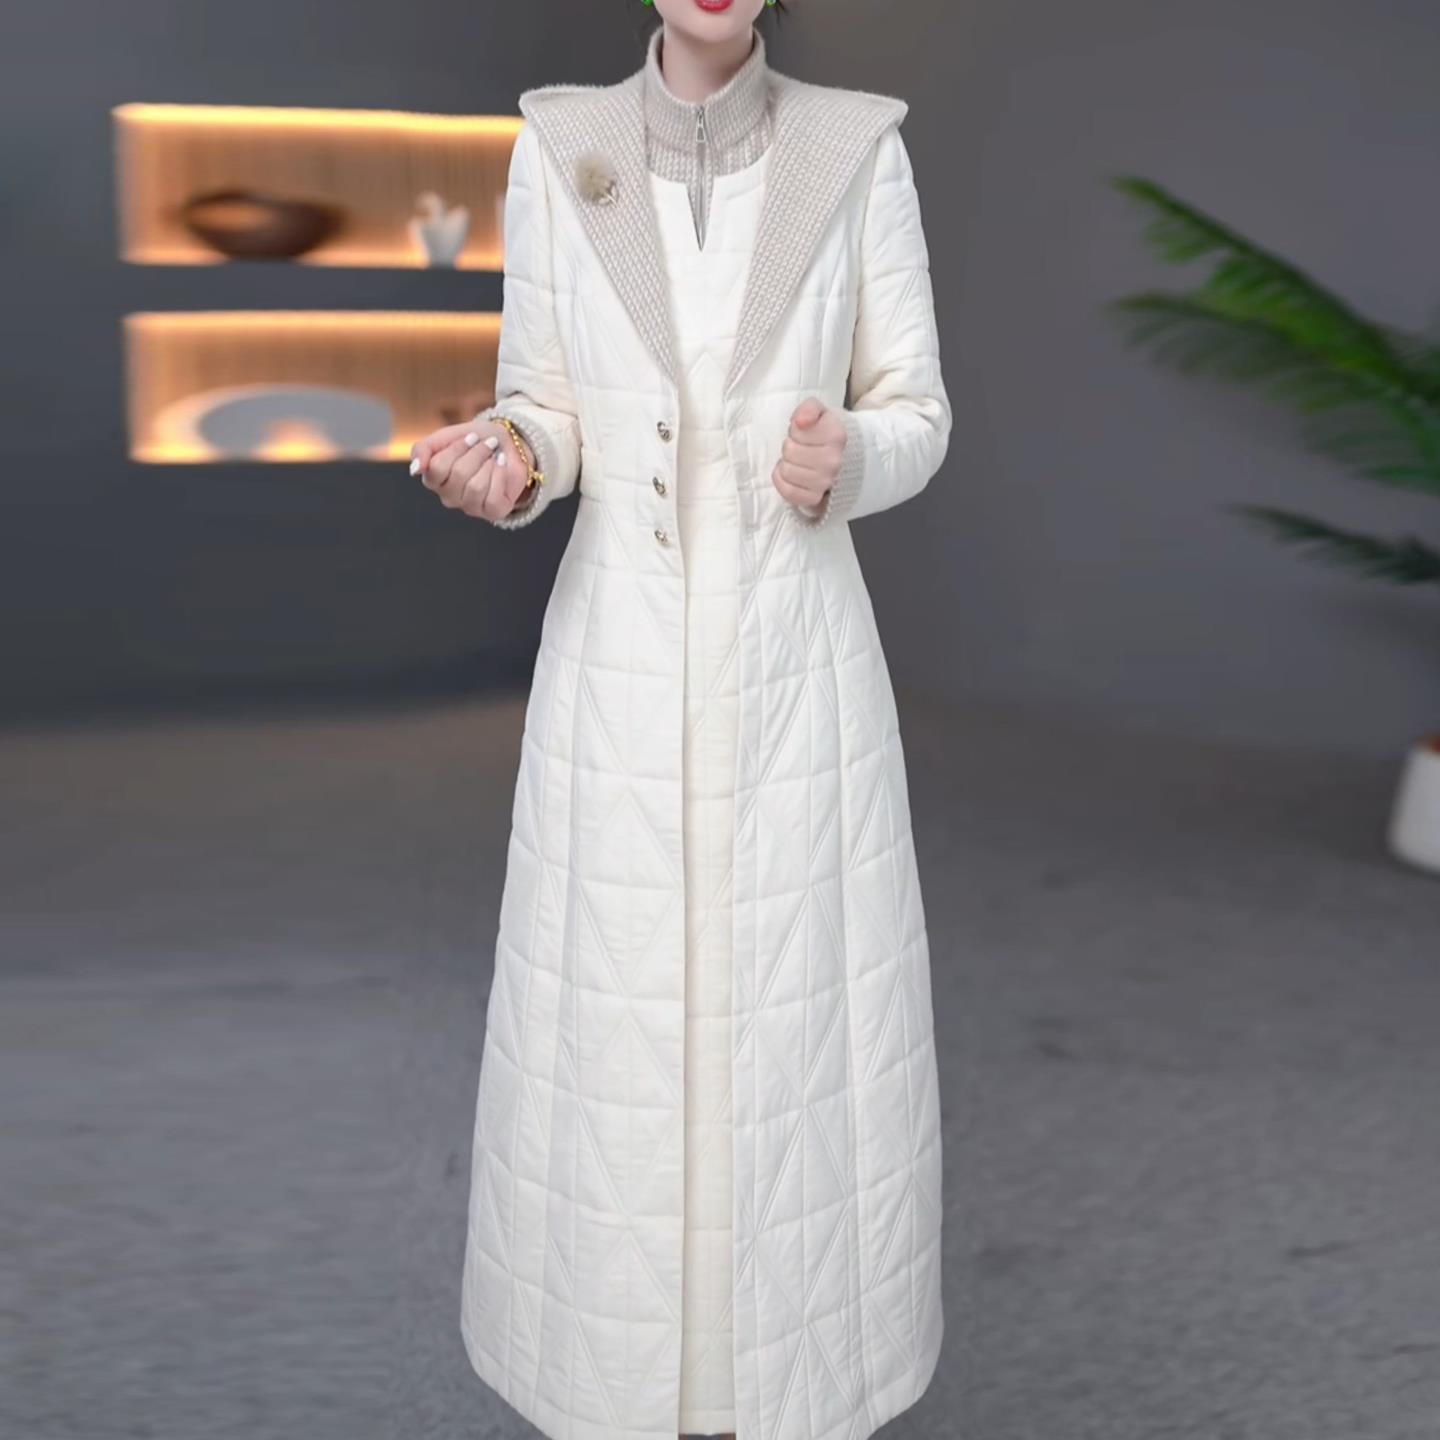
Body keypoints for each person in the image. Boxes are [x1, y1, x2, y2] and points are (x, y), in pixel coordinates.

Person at [409, 3, 951, 1437]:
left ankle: (793, 1381)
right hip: (620, 654)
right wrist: (510, 456)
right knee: (614, 1015)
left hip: (798, 657)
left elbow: (918, 410)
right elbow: (546, 403)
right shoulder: (558, 143)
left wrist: (851, 456)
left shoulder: (858, 149)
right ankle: (610, 1379)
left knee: (802, 1013)